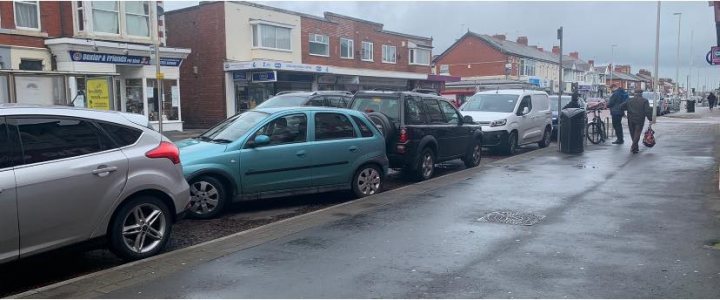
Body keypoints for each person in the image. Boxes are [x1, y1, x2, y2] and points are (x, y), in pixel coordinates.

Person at [621, 89, 653, 154]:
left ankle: (635, 147)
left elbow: (621, 106)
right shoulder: (644, 100)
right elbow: (647, 111)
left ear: (634, 93)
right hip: (640, 119)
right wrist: (650, 119)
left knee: (633, 133)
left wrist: (627, 109)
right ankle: (633, 146)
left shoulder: (629, 100)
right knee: (637, 133)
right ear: (641, 94)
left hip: (630, 119)